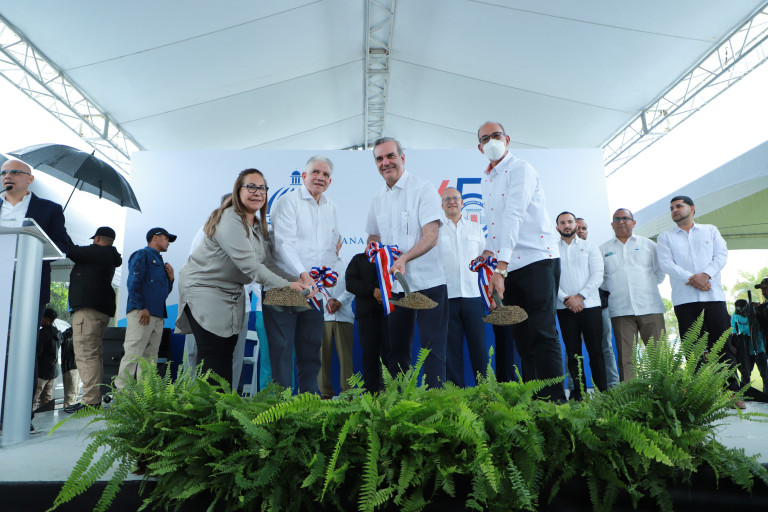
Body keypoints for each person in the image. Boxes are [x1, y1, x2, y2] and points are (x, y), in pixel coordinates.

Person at [176, 169, 308, 389]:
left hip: (232, 294)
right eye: (251, 187)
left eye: (262, 188)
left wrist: (299, 281)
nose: (258, 192)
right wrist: (290, 286)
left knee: (226, 355)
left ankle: (222, 408)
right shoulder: (230, 219)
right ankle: (205, 409)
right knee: (212, 355)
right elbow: (251, 267)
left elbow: (268, 263)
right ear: (238, 191)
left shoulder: (257, 224)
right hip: (205, 291)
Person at [477, 122, 564, 401]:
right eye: (485, 138)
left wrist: (500, 268)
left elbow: (514, 215)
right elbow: (495, 224)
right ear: (480, 147)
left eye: (496, 136)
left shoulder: (521, 169)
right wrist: (488, 254)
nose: (492, 141)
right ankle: (534, 401)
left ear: (507, 139)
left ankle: (555, 404)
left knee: (542, 333)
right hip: (509, 265)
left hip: (536, 259)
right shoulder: (486, 179)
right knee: (522, 336)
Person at [366, 137, 448, 388]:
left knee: (432, 349)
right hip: (395, 287)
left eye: (390, 156)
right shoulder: (377, 198)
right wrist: (373, 251)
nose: (385, 162)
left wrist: (403, 258)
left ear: (402, 157)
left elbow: (431, 236)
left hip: (428, 282)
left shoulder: (423, 189)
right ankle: (400, 404)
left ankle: (436, 404)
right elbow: (373, 236)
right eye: (379, 158)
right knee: (397, 350)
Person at [656, 195, 743, 408]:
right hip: (684, 300)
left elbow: (721, 255)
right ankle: (699, 396)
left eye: (679, 206)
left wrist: (706, 275)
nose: (675, 210)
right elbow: (667, 264)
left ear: (692, 209)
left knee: (722, 344)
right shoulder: (665, 237)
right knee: (693, 348)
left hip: (713, 296)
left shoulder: (710, 230)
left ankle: (732, 392)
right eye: (672, 208)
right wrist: (693, 279)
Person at [264, 156, 338, 394]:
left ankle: (309, 405)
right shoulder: (288, 201)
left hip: (313, 291)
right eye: (315, 172)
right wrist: (305, 276)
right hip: (284, 288)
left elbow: (331, 247)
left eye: (326, 175)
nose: (320, 177)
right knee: (282, 354)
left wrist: (320, 280)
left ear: (330, 181)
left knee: (311, 352)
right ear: (304, 176)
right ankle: (282, 409)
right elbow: (284, 244)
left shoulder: (331, 207)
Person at [184, 193, 256, 391]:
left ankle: (227, 401)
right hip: (206, 302)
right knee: (201, 353)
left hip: (238, 305)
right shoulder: (206, 230)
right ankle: (194, 399)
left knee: (232, 356)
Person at [600, 209, 666, 382]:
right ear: (612, 224)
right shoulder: (604, 249)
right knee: (626, 360)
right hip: (620, 311)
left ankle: (662, 394)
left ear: (633, 222)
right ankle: (631, 396)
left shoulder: (649, 245)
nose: (621, 222)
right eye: (617, 219)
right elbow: (602, 280)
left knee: (659, 357)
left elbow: (660, 273)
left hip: (650, 308)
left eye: (625, 218)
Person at [64, 226, 122, 412]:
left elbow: (71, 250)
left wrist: (61, 229)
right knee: (94, 354)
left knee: (86, 354)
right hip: (100, 311)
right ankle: (94, 396)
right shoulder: (109, 256)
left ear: (97, 239)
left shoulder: (98, 252)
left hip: (88, 311)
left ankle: (90, 400)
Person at [555, 212, 607, 400]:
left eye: (570, 222)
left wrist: (580, 297)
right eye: (562, 223)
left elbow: (597, 275)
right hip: (565, 308)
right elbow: (551, 279)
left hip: (590, 305)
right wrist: (566, 299)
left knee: (596, 350)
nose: (566, 225)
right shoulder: (552, 250)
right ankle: (578, 393)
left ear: (576, 225)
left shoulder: (590, 247)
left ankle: (603, 392)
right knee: (572, 352)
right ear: (557, 228)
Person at [438, 187, 487, 387]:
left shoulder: (476, 228)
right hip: (447, 297)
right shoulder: (435, 230)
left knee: (479, 347)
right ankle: (455, 394)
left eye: (456, 198)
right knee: (451, 350)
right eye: (447, 199)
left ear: (462, 202)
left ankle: (484, 391)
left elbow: (485, 261)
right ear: (442, 204)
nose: (452, 202)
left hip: (473, 296)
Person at [115, 227, 175, 389]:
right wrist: (141, 307)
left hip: (157, 315)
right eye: (166, 238)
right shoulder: (142, 254)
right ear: (155, 237)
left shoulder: (160, 262)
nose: (168, 242)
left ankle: (145, 396)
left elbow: (162, 293)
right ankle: (122, 396)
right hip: (142, 312)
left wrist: (170, 279)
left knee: (150, 357)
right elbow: (133, 283)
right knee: (133, 353)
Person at [574, 216, 620, 388]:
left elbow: (601, 278)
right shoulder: (561, 253)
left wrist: (584, 295)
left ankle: (612, 386)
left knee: (605, 346)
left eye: (584, 228)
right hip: (573, 308)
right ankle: (575, 388)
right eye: (577, 227)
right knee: (573, 349)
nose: (580, 231)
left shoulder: (596, 251)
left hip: (600, 307)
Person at [345, 250, 389, 393]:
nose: (374, 242)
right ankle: (371, 393)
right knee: (370, 355)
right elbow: (350, 283)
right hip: (367, 315)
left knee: (390, 354)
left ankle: (392, 393)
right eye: (371, 240)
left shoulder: (390, 257)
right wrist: (372, 290)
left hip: (389, 314)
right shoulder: (358, 259)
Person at [318, 250, 355, 398]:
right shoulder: (316, 264)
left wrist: (339, 301)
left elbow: (352, 287)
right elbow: (313, 287)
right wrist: (327, 302)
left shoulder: (347, 263)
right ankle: (325, 394)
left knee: (346, 358)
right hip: (322, 317)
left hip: (344, 316)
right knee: (321, 358)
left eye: (336, 241)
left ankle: (348, 394)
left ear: (340, 245)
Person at [33, 308, 60, 412]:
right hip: (52, 372)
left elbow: (37, 351)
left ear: (47, 319)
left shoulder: (44, 333)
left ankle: (29, 419)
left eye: (42, 317)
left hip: (41, 372)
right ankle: (45, 419)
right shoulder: (57, 333)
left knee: (33, 399)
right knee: (46, 401)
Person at [59, 326, 80, 408]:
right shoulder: (70, 335)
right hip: (71, 367)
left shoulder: (72, 334)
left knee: (75, 392)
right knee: (71, 394)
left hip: (75, 367)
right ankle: (68, 411)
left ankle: (70, 410)